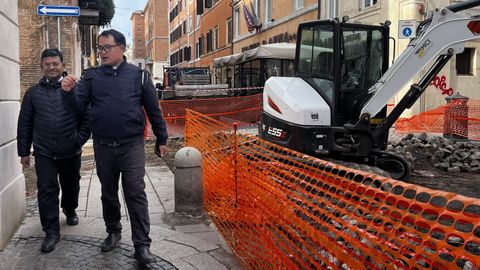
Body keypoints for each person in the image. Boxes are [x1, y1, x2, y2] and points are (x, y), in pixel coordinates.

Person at [61, 29, 168, 265]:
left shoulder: (139, 76)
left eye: (107, 47)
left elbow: (154, 110)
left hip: (132, 145)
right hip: (103, 146)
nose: (102, 53)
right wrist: (68, 93)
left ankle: (142, 245)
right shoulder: (91, 77)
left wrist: (162, 139)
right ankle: (113, 231)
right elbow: (78, 108)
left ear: (121, 48)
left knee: (135, 192)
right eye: (100, 48)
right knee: (108, 192)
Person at [17, 48, 91, 253]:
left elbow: (86, 119)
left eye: (55, 63)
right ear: (42, 66)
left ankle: (70, 208)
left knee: (71, 186)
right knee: (47, 191)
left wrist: (78, 141)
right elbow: (25, 123)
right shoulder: (33, 93)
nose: (51, 67)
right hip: (44, 152)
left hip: (70, 150)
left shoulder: (75, 90)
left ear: (63, 66)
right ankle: (51, 231)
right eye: (47, 64)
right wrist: (24, 151)